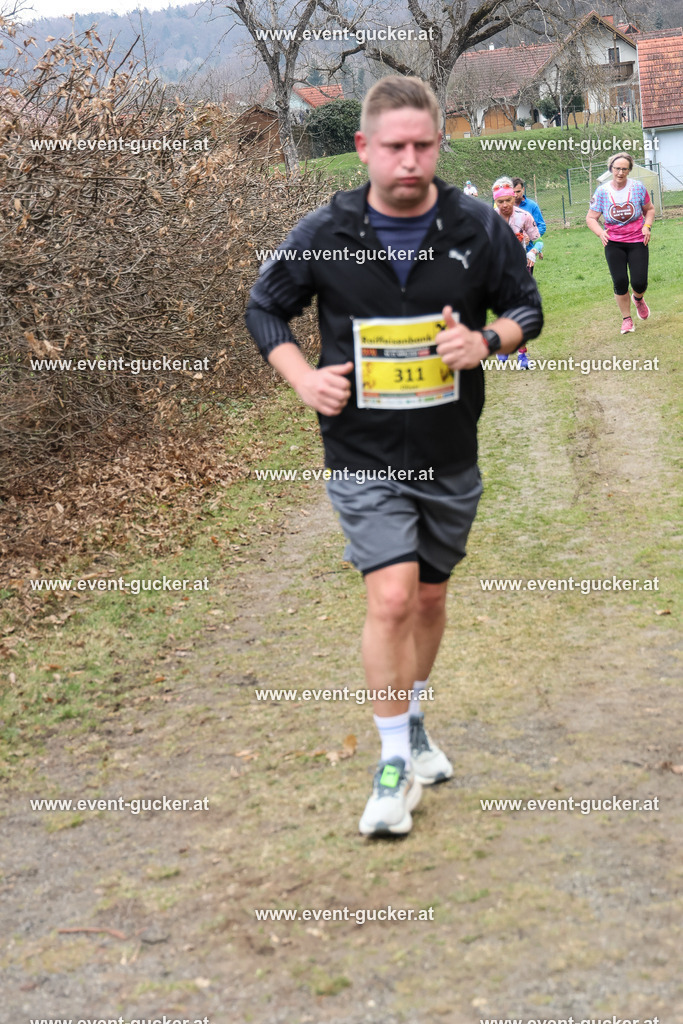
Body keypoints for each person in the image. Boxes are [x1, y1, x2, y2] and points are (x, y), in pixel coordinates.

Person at [245, 76, 543, 837]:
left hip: (449, 450)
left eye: (423, 145)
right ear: (363, 147)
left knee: (431, 600)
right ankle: (388, 766)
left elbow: (525, 309)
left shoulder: (477, 225)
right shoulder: (323, 231)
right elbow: (263, 305)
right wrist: (302, 377)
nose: (409, 161)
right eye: (393, 147)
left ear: (438, 145)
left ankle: (410, 721)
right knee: (390, 597)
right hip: (362, 452)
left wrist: (484, 342)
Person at [586, 152, 655, 334]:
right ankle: (627, 319)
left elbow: (650, 209)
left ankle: (638, 299)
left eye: (624, 169)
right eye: (617, 168)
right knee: (620, 281)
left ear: (629, 170)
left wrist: (647, 226)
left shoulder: (638, 188)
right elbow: (591, 218)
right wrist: (601, 233)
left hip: (638, 240)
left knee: (639, 282)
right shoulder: (602, 191)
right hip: (614, 242)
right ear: (611, 169)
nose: (620, 172)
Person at [491, 179, 542, 369]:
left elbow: (539, 240)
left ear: (514, 198)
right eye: (500, 202)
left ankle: (522, 355)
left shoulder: (524, 216)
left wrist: (533, 251)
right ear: (495, 202)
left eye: (508, 201)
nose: (504, 205)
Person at [512, 177, 546, 272]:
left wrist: (530, 237)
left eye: (518, 191)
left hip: (528, 252)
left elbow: (541, 226)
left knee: (526, 281)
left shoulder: (532, 206)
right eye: (513, 192)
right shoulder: (507, 207)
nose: (515, 195)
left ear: (523, 189)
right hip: (510, 252)